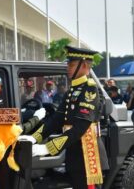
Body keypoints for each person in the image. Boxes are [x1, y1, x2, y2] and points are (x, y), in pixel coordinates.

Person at [18, 45, 109, 189]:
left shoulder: (89, 90)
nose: (68, 67)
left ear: (84, 65)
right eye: (68, 64)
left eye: (71, 64)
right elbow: (56, 120)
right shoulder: (71, 91)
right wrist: (35, 137)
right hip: (74, 155)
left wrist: (48, 148)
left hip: (88, 156)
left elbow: (80, 128)